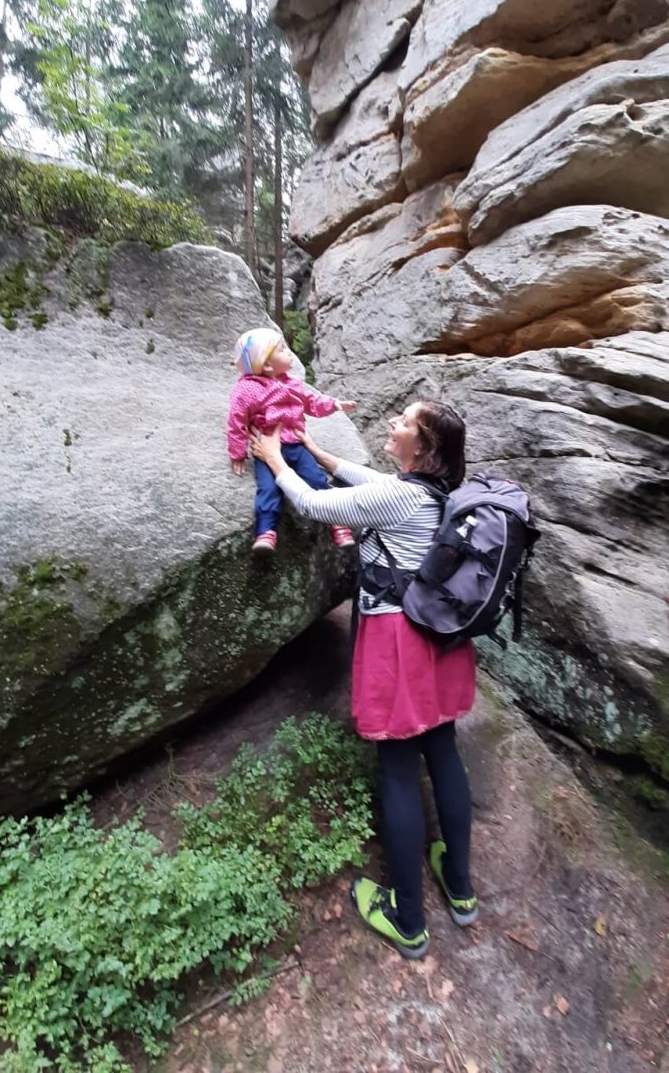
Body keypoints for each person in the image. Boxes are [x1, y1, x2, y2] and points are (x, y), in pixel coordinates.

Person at [250, 400, 478, 959]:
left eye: (403, 423)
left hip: (399, 641)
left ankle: (407, 919)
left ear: (422, 448)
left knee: (399, 766)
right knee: (442, 748)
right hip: (441, 640)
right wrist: (321, 453)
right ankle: (461, 888)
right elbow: (369, 482)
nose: (392, 426)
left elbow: (313, 504)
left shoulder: (398, 496)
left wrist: (275, 458)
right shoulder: (437, 492)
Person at [227, 327, 357, 553]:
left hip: (296, 444)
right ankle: (266, 531)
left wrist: (334, 404)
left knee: (316, 479)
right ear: (267, 365)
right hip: (266, 447)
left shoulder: (291, 383)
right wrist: (237, 452)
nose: (289, 353)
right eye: (282, 350)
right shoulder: (247, 390)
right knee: (268, 488)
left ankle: (336, 520)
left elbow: (312, 401)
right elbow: (236, 420)